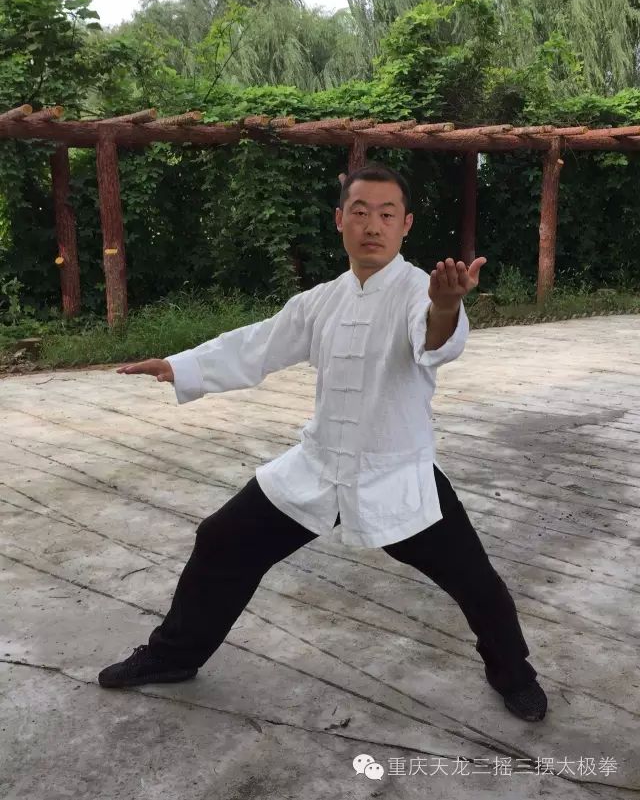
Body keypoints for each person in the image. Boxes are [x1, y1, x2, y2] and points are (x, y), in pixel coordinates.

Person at [98, 164, 547, 722]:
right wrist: (180, 365)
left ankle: (514, 675)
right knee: (221, 540)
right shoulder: (320, 301)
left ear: (406, 224)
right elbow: (258, 344)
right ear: (340, 220)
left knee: (475, 581)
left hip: (394, 472)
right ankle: (173, 656)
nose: (372, 225)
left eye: (386, 214)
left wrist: (448, 305)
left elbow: (433, 339)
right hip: (317, 466)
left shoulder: (419, 291)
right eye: (360, 212)